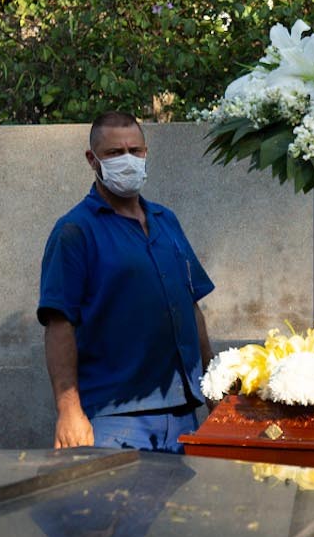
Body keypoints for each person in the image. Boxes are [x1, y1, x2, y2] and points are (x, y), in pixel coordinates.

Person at [38, 111, 214, 452]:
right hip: (115, 420)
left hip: (181, 412)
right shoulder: (75, 231)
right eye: (114, 154)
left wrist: (214, 389)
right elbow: (59, 324)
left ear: (146, 153)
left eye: (135, 150)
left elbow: (192, 308)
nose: (127, 161)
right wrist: (69, 409)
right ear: (92, 160)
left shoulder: (167, 221)